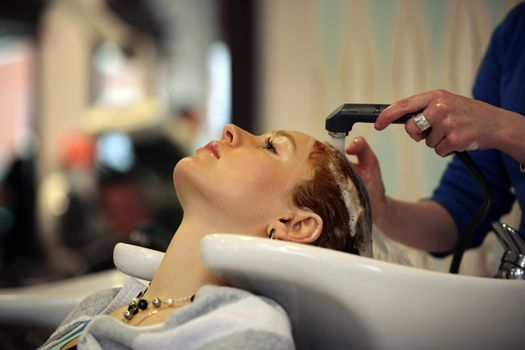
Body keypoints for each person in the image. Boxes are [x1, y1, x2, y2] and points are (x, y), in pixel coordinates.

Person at [40, 123, 372, 350]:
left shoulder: (244, 330)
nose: (231, 130)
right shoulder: (101, 305)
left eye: (271, 147)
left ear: (293, 224)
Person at [346, 2, 525, 255]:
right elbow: (461, 211)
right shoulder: (515, 33)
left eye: (273, 147)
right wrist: (381, 210)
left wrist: (504, 127)